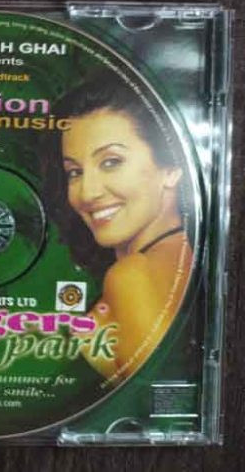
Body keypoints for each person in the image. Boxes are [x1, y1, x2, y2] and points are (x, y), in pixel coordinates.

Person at [46, 76, 192, 381]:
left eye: (111, 162)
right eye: (74, 172)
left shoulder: (131, 275)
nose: (87, 193)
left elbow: (152, 397)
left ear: (171, 168)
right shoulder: (183, 256)